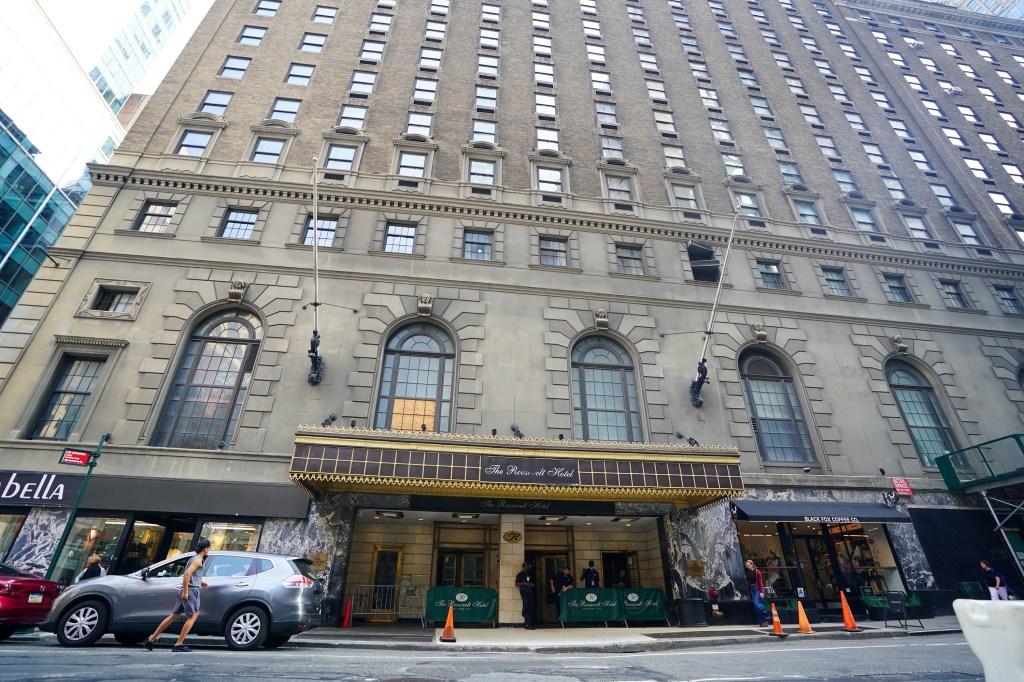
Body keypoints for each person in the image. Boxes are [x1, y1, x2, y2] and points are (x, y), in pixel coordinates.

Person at [143, 539, 211, 652]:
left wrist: (200, 582)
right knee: (193, 616)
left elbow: (192, 575)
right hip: (191, 591)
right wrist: (186, 592)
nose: (209, 550)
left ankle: (151, 639)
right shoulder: (198, 560)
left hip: (188, 589)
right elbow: (187, 574)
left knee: (174, 615)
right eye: (209, 548)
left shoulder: (193, 559)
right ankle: (178, 644)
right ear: (205, 549)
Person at [745, 559, 771, 626]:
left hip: (757, 589)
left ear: (752, 564)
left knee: (758, 605)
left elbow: (760, 582)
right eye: (746, 565)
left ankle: (766, 618)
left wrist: (761, 591)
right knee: (756, 606)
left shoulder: (757, 572)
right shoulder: (748, 572)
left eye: (748, 565)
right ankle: (762, 622)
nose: (747, 566)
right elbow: (747, 582)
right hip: (752, 589)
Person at [515, 562, 536, 630]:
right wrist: (523, 583)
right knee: (526, 605)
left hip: (530, 592)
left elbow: (533, 584)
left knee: (530, 607)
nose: (527, 568)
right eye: (526, 567)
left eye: (528, 567)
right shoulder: (520, 574)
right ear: (523, 567)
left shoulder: (530, 574)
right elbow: (516, 583)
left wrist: (530, 584)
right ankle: (524, 614)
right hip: (524, 592)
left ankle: (528, 624)